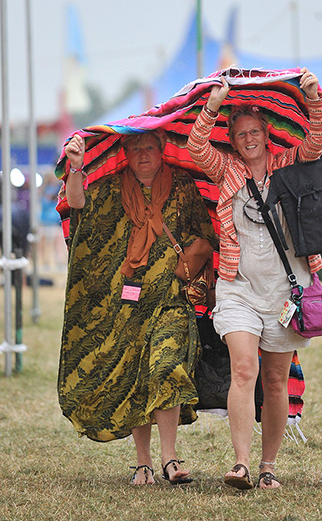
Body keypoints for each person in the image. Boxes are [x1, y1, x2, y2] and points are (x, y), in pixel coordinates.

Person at [187, 68, 322, 489]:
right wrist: (214, 105)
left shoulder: (288, 165)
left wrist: (312, 96)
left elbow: (318, 139)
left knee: (274, 380)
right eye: (241, 133)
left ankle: (268, 466)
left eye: (254, 131)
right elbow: (197, 147)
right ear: (233, 139)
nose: (248, 138)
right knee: (244, 368)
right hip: (238, 289)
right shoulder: (227, 171)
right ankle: (241, 464)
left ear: (266, 135)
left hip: (286, 290)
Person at [58, 129, 216, 485]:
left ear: (162, 151)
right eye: (135, 148)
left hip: (171, 300)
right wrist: (76, 167)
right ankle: (143, 463)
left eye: (149, 147)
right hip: (126, 304)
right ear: (125, 153)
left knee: (167, 367)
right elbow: (78, 205)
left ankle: (170, 458)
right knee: (135, 377)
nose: (143, 154)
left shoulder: (183, 186)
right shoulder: (112, 189)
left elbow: (205, 233)